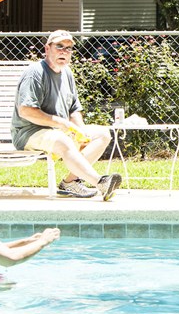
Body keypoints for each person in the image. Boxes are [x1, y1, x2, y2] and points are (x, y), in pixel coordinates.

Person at [11, 29, 122, 200]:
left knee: (102, 135)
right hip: (29, 132)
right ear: (47, 49)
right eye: (60, 46)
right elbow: (25, 111)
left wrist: (80, 131)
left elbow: (73, 109)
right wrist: (62, 124)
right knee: (62, 140)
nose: (64, 51)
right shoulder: (35, 73)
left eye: (69, 48)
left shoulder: (67, 73)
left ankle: (70, 183)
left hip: (57, 130)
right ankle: (101, 182)